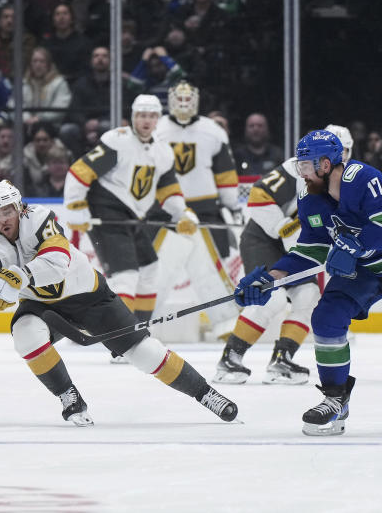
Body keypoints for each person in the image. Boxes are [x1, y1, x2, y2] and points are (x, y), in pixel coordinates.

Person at [0, 180, 238, 426]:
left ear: (19, 207)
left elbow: (58, 261)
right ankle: (69, 396)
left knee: (144, 353)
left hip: (89, 296)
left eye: (7, 210)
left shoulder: (40, 218)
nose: (2, 219)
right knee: (25, 334)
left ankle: (205, 393)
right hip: (45, 307)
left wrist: (22, 276)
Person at [233, 129, 382, 435]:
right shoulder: (310, 197)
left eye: (305, 166)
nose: (301, 174)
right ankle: (335, 399)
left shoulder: (362, 178)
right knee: (326, 317)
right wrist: (270, 277)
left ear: (326, 165)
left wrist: (355, 246)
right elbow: (311, 248)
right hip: (364, 269)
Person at [214, 124, 354, 386]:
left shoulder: (348, 179)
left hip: (300, 247)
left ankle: (282, 361)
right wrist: (283, 228)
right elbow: (258, 195)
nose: (340, 156)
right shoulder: (297, 166)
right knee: (273, 298)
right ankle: (230, 358)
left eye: (344, 150)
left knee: (308, 297)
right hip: (264, 239)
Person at [62, 94, 199, 323]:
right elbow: (79, 171)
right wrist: (76, 207)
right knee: (125, 276)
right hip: (106, 213)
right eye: (142, 115)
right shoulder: (118, 141)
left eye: (152, 116)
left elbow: (169, 191)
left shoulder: (163, 152)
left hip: (134, 217)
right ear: (134, 117)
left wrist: (182, 214)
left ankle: (140, 331)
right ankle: (122, 340)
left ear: (158, 119)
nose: (146, 121)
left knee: (150, 270)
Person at [154, 82, 242, 321]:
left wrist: (231, 204)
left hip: (205, 209)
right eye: (179, 99)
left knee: (212, 270)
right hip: (164, 210)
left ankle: (225, 323)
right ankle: (140, 323)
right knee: (156, 270)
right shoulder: (156, 128)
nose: (183, 104)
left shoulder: (213, 130)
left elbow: (225, 174)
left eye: (187, 99)